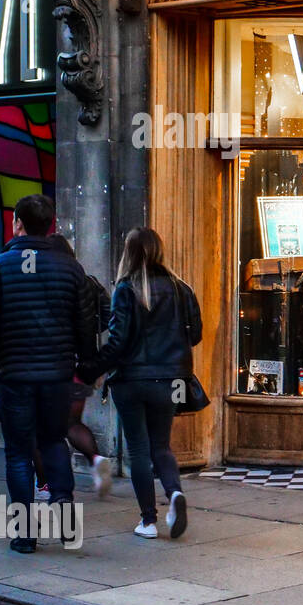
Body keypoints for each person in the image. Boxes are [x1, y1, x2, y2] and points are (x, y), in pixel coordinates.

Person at [0, 195, 98, 553]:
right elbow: (85, 325)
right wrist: (84, 363)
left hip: (13, 373)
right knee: (53, 440)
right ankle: (64, 518)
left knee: (18, 453)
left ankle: (25, 535)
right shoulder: (70, 269)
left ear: (17, 223)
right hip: (57, 373)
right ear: (50, 225)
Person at [80, 228, 202, 540]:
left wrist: (90, 368)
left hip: (132, 381)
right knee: (161, 445)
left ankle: (148, 521)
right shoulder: (182, 288)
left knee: (139, 449)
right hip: (170, 379)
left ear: (129, 253)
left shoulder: (126, 288)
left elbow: (118, 343)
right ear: (160, 251)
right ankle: (175, 494)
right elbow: (196, 334)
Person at [34, 235, 113, 499]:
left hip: (46, 364)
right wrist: (88, 333)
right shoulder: (86, 280)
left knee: (39, 429)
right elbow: (109, 313)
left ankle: (45, 485)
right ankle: (96, 458)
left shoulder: (41, 280)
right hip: (79, 366)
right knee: (71, 423)